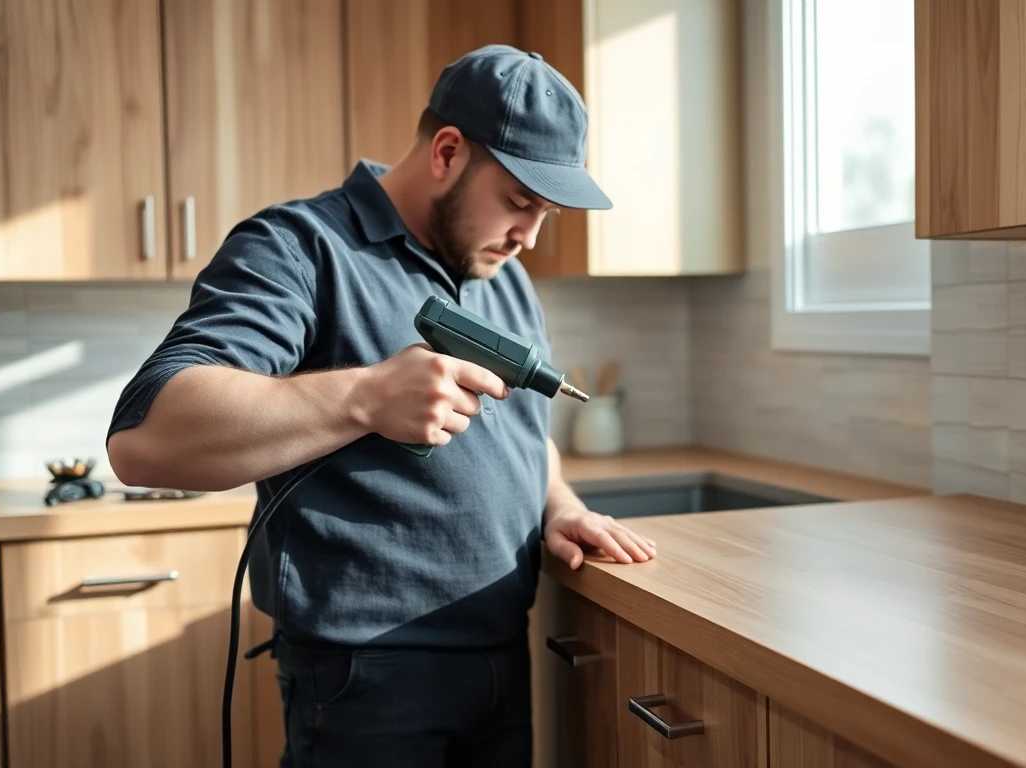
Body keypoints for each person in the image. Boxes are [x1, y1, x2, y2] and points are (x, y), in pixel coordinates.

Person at [104, 44, 657, 767]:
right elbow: (144, 437)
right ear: (448, 152)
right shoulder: (299, 248)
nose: (529, 237)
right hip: (367, 679)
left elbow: (524, 436)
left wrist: (561, 505)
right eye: (521, 202)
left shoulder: (499, 274)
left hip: (499, 652)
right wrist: (364, 396)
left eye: (546, 212)